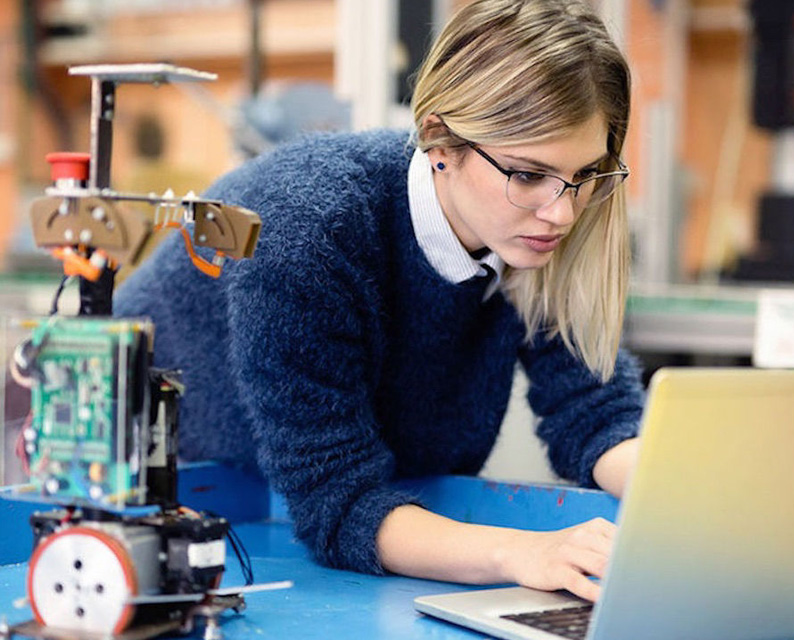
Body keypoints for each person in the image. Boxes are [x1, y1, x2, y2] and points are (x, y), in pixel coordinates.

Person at [115, 0, 643, 603]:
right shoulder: (307, 227)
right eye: (527, 175)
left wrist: (695, 500)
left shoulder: (538, 229)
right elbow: (339, 505)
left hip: (295, 509)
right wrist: (525, 553)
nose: (562, 212)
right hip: (119, 473)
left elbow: (596, 416)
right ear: (440, 140)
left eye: (586, 174)